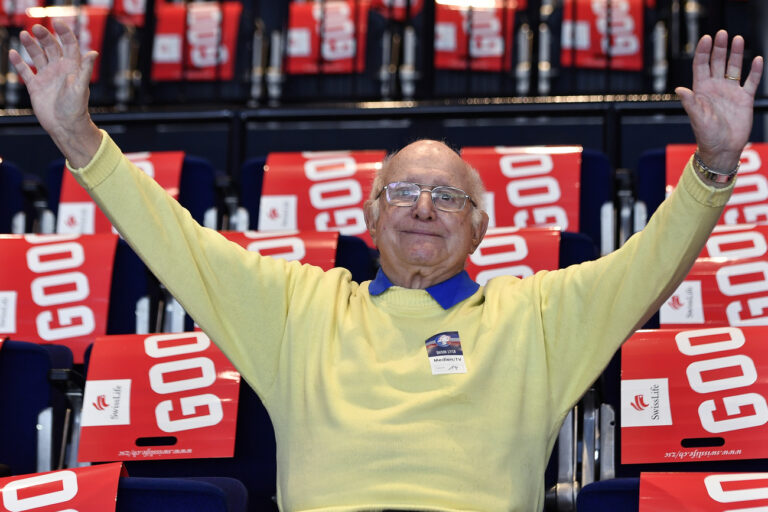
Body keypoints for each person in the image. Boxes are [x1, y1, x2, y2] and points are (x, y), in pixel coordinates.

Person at [10, 23, 763, 512]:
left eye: (447, 196)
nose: (423, 208)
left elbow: (649, 266)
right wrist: (81, 140)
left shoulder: (536, 315)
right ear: (369, 216)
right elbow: (173, 240)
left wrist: (715, 164)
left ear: (480, 226)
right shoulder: (296, 306)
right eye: (402, 191)